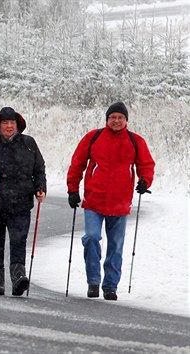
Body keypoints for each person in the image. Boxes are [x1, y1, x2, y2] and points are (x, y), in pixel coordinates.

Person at [67, 102, 155, 301]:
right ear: (107, 119)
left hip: (120, 203)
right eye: (112, 117)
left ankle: (110, 286)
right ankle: (93, 281)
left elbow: (146, 165)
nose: (116, 121)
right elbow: (77, 163)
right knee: (91, 237)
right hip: (94, 201)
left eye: (120, 118)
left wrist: (144, 181)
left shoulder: (135, 141)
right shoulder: (93, 137)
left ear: (126, 120)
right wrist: (73, 188)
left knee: (115, 246)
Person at [0, 107, 47, 296]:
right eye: (5, 122)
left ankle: (18, 277)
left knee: (18, 240)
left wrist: (40, 188)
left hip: (21, 203)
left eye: (12, 122)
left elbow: (39, 169)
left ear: (17, 124)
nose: (9, 126)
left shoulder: (29, 143)